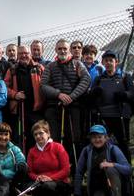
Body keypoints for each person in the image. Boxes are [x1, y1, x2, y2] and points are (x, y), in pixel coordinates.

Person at [41, 39, 91, 171]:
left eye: (65, 48)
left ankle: (75, 169)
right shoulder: (50, 66)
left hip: (73, 107)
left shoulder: (78, 64)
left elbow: (86, 80)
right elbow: (43, 85)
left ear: (68, 50)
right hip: (54, 106)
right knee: (54, 138)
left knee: (74, 138)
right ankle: (55, 168)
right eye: (60, 49)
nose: (62, 51)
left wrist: (71, 96)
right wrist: (58, 94)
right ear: (56, 50)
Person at [89, 50, 134, 162]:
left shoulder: (125, 77)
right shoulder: (98, 79)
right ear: (103, 62)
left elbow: (133, 93)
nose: (109, 63)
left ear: (116, 62)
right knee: (102, 143)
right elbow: (91, 97)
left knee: (123, 142)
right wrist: (95, 92)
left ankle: (126, 169)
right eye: (106, 61)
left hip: (121, 115)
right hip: (104, 116)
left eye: (111, 60)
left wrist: (124, 95)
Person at [4, 45, 45, 153]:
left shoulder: (39, 68)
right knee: (18, 138)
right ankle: (20, 162)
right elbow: (4, 88)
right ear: (17, 55)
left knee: (35, 137)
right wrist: (15, 94)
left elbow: (46, 84)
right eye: (21, 53)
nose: (23, 55)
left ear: (30, 54)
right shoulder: (12, 69)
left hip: (36, 110)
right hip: (18, 110)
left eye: (26, 53)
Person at [73, 125, 132, 196]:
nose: (97, 140)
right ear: (91, 139)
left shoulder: (113, 149)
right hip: (97, 188)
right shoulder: (86, 151)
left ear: (106, 138)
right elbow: (79, 172)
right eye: (94, 137)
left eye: (100, 137)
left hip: (115, 187)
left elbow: (129, 170)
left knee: (110, 170)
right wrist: (77, 193)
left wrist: (112, 164)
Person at [25, 120, 71, 196]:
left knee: (45, 187)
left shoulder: (58, 147)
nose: (38, 136)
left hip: (58, 181)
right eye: (35, 134)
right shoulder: (31, 151)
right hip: (39, 182)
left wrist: (50, 178)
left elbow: (66, 170)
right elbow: (30, 172)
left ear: (48, 133)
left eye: (41, 133)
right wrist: (37, 177)